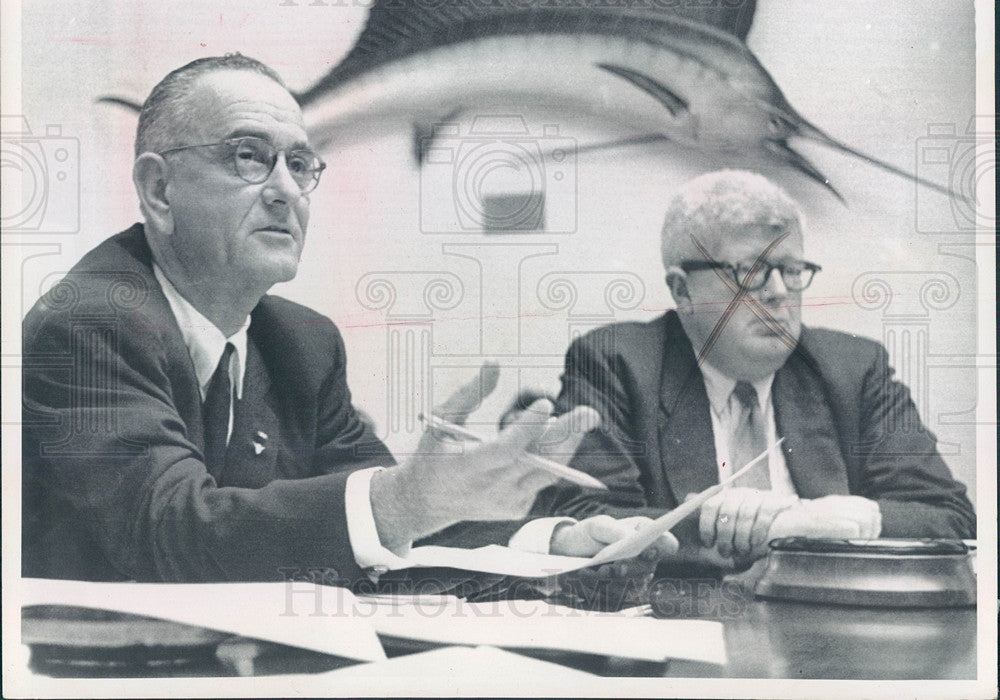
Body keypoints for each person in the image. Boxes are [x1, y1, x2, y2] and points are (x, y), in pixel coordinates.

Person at [21, 54, 674, 584]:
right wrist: (402, 500)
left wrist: (551, 535)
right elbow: (168, 532)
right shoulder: (87, 323)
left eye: (301, 164)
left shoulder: (302, 343)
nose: (285, 189)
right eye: (249, 155)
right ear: (159, 189)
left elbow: (382, 499)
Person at [534, 169, 975, 571]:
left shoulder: (854, 367)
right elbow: (590, 519)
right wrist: (760, 526)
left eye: (791, 269)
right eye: (750, 272)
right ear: (682, 290)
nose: (779, 292)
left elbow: (950, 517)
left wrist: (825, 522)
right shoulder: (617, 362)